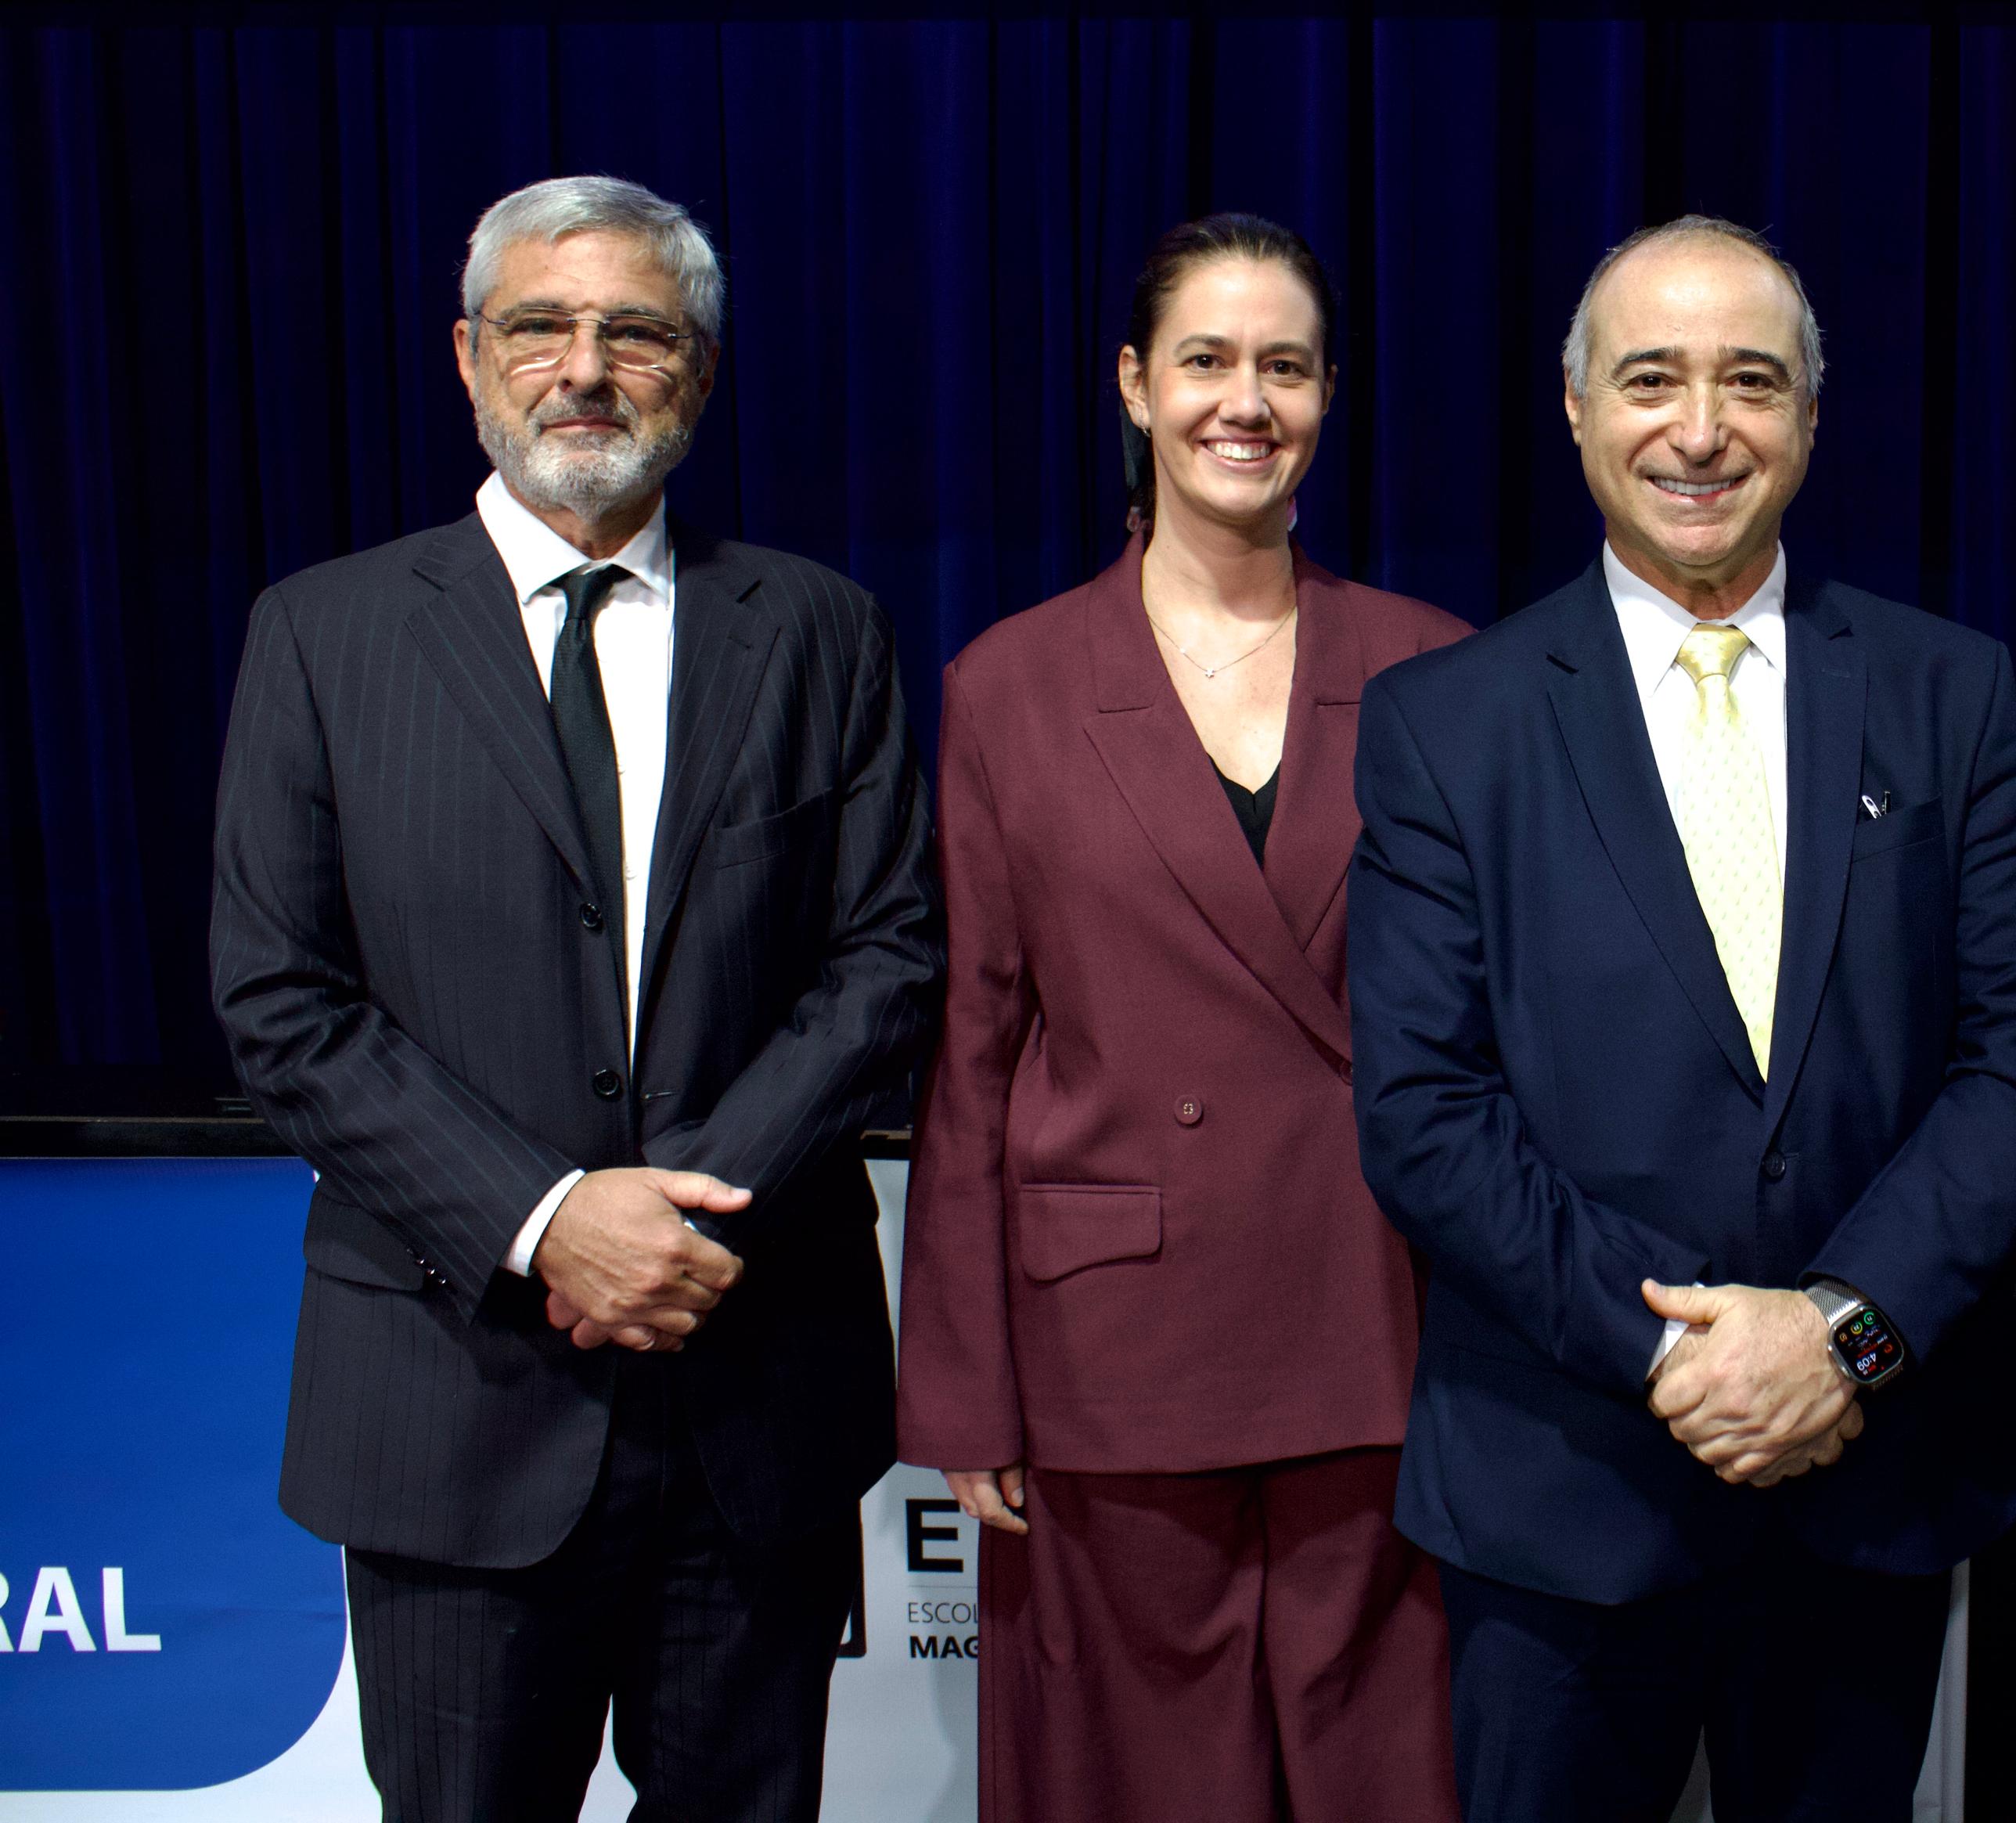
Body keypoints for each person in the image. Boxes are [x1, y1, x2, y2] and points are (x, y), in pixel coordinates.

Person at [209, 175, 941, 1821]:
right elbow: (280, 999)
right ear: (469, 356)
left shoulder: (821, 631)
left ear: (701, 370)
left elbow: (888, 956)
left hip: (754, 1387)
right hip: (454, 1399)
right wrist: (549, 1220)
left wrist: (676, 1219)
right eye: (540, 326)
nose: (586, 369)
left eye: (636, 333)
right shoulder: (321, 635)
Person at [1348, 214, 2016, 1821]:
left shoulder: (1949, 692)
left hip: (1865, 1480)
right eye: (1650, 380)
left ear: (1809, 415)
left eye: (1749, 381)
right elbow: (1423, 1110)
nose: (1700, 429)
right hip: (1563, 1494)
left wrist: (1842, 1336)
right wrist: (1676, 1353)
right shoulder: (1444, 724)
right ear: (1576, 410)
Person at [893, 214, 1467, 1822]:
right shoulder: (1008, 684)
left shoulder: (1434, 669)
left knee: (1389, 1782)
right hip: (1109, 1355)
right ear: (1135, 385)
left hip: (1378, 1322)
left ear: (1329, 395)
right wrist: (964, 1386)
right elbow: (975, 1052)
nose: (1246, 400)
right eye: (1206, 360)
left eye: (1286, 364)